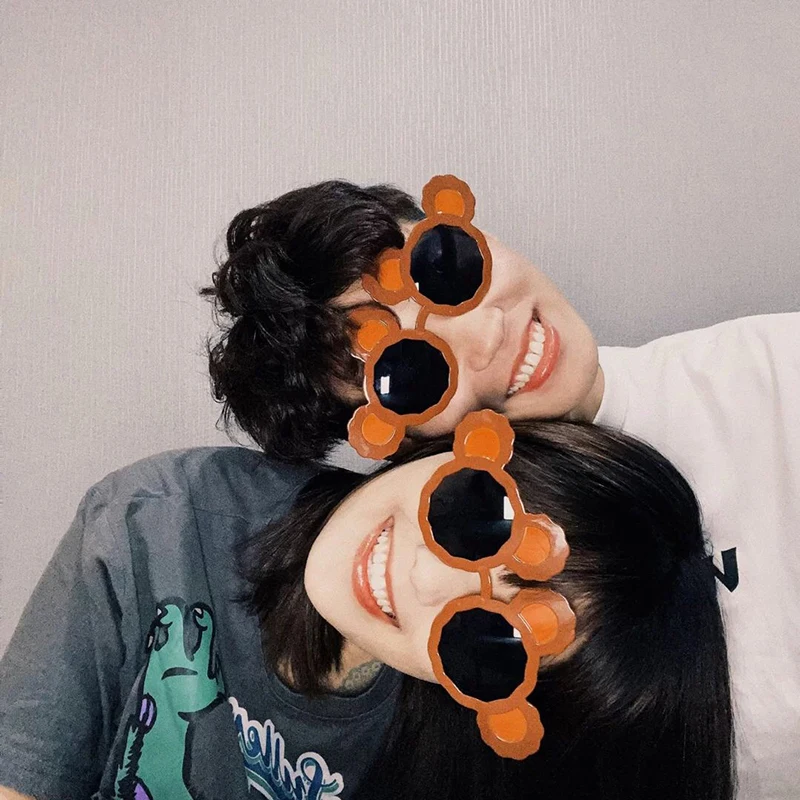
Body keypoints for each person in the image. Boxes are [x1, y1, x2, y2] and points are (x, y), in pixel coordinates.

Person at [201, 177, 800, 797]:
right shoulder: (448, 646)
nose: (486, 332)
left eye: (445, 266)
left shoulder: (776, 368)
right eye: (414, 370)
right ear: (395, 443)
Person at [0, 419, 734, 800]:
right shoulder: (158, 523)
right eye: (475, 514)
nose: (419, 578)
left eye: (488, 640)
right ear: (473, 443)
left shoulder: (452, 761)